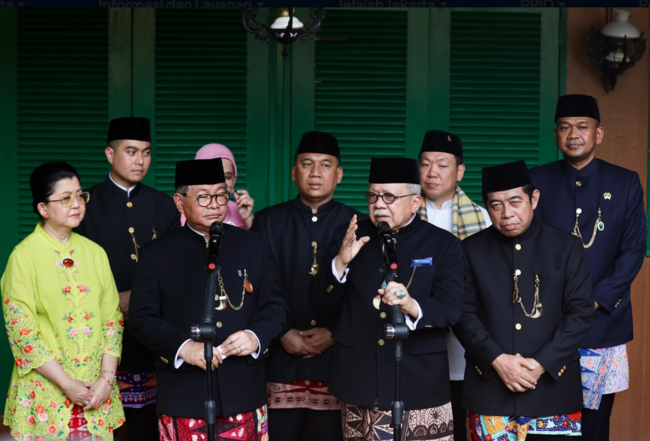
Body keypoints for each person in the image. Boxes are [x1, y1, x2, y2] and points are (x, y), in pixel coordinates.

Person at [127, 158, 288, 441]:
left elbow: (275, 306)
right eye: (203, 197)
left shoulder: (254, 245)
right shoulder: (157, 253)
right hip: (183, 393)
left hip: (244, 389)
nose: (214, 204)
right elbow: (140, 318)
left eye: (220, 194)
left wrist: (254, 336)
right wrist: (183, 347)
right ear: (180, 202)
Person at [310, 157, 465, 441]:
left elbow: (451, 308)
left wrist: (411, 305)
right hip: (360, 381)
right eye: (373, 196)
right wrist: (340, 263)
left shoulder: (443, 244)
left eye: (390, 197)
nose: (379, 204)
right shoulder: (349, 236)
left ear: (415, 202)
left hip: (420, 382)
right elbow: (320, 304)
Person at [529, 95, 647, 441]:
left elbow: (633, 251)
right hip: (544, 324)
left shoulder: (625, 181)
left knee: (594, 426)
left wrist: (592, 301)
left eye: (582, 127)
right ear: (555, 135)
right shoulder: (535, 181)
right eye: (565, 128)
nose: (573, 135)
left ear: (599, 133)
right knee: (544, 425)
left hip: (603, 324)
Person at [453, 160, 594, 440]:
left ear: (534, 199)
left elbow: (580, 314)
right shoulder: (470, 250)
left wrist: (542, 363)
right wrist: (497, 360)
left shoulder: (566, 247)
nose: (507, 213)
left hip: (553, 390)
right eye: (496, 205)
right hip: (489, 391)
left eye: (515, 202)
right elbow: (462, 314)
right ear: (486, 206)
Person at [251, 131, 365, 441]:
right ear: (293, 172)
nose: (316, 173)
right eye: (307, 163)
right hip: (281, 358)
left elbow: (365, 293)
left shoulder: (357, 223)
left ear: (339, 174)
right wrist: (282, 332)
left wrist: (336, 332)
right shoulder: (267, 222)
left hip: (338, 360)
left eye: (326, 165)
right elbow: (256, 288)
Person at [2, 162, 125, 440]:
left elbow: (112, 320)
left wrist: (106, 380)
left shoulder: (95, 253)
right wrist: (68, 384)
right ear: (43, 209)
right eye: (66, 198)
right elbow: (22, 333)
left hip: (96, 390)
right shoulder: (23, 256)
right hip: (47, 391)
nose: (77, 204)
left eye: (80, 196)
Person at [75, 117, 180, 440]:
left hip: (150, 336)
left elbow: (177, 264)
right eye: (131, 152)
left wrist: (140, 297)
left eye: (146, 152)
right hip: (98, 333)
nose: (140, 160)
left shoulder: (164, 205)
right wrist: (112, 300)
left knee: (147, 426)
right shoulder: (85, 204)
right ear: (110, 154)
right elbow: (74, 269)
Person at [417, 129, 491, 441]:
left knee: (459, 421)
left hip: (464, 341)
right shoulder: (401, 215)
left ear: (459, 171)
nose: (432, 172)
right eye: (425, 164)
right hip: (415, 336)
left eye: (442, 165)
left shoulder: (483, 218)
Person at [180, 143, 255, 229]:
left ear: (234, 180)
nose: (222, 183)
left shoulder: (242, 213)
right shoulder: (180, 216)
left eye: (227, 177)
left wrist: (248, 220)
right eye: (215, 175)